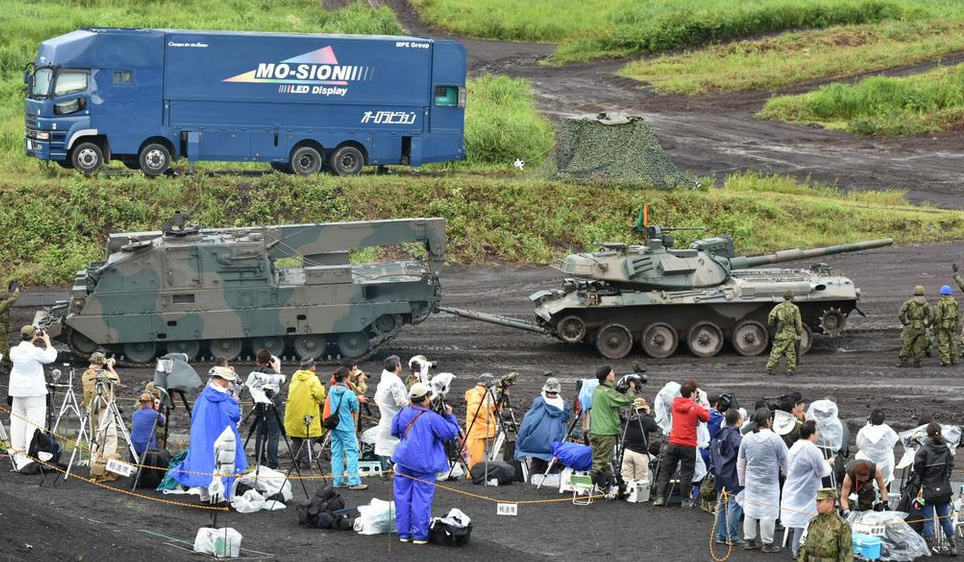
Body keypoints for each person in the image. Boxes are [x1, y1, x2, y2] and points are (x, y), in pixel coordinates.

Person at [392, 382, 460, 544]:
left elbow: (395, 431)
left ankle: (404, 533)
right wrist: (450, 416)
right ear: (425, 399)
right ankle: (420, 535)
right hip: (424, 463)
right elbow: (450, 432)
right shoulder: (431, 417)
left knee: (402, 497)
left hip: (403, 460)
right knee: (421, 498)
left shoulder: (403, 412)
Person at [172, 366, 247, 501]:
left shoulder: (203, 397)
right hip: (224, 437)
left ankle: (205, 495)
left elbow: (195, 416)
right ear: (223, 380)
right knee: (225, 462)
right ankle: (222, 496)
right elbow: (235, 416)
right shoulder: (226, 399)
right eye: (228, 380)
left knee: (203, 462)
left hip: (202, 437)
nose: (229, 383)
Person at [738, 407, 789, 553]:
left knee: (750, 510)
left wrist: (741, 480)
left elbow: (741, 461)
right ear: (767, 421)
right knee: (769, 512)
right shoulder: (775, 438)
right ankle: (767, 543)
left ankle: (749, 540)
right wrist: (786, 474)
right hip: (770, 482)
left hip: (751, 481)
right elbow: (785, 460)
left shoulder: (747, 437)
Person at [781, 420, 834, 558]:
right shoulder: (812, 449)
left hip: (794, 488)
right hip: (806, 491)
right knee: (809, 522)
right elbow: (822, 471)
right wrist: (828, 463)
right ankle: (803, 552)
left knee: (801, 522)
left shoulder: (794, 447)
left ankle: (797, 551)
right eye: (817, 432)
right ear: (812, 434)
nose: (818, 434)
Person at [7, 325, 56, 470]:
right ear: (34, 336)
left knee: (17, 423)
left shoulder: (14, 351)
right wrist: (47, 341)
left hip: (17, 393)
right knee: (34, 425)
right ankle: (31, 455)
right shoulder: (36, 352)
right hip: (34, 394)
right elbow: (51, 357)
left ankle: (17, 453)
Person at [653, 379, 708, 507]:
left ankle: (660, 497)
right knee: (687, 473)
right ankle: (685, 500)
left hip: (673, 443)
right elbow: (706, 417)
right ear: (693, 394)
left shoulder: (674, 404)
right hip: (688, 445)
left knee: (666, 471)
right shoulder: (695, 407)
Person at [589, 365, 638, 489]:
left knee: (601, 462)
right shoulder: (607, 392)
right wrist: (632, 388)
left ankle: (601, 489)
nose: (614, 374)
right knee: (601, 464)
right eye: (612, 373)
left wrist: (619, 388)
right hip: (605, 432)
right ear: (607, 376)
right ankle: (586, 489)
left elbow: (613, 392)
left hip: (596, 431)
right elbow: (626, 400)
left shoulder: (598, 389)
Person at [914, 421, 957, 555]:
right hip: (943, 489)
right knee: (945, 518)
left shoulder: (923, 450)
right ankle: (953, 546)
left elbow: (918, 469)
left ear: (928, 434)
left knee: (928, 520)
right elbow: (950, 466)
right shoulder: (946, 449)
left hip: (928, 489)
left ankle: (929, 548)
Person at [515, 377, 571, 475]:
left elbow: (529, 422)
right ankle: (550, 487)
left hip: (537, 442)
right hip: (555, 442)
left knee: (536, 464)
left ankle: (529, 487)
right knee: (554, 466)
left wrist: (521, 440)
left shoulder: (538, 401)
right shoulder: (563, 405)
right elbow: (565, 418)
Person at [326, 366, 366, 490]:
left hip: (334, 425)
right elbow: (355, 407)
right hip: (346, 426)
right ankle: (353, 481)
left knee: (337, 452)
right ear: (346, 378)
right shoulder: (349, 393)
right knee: (352, 452)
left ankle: (338, 480)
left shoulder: (332, 390)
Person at [284, 358, 325, 469]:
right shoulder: (313, 379)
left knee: (296, 438)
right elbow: (320, 395)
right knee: (310, 437)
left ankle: (295, 461)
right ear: (311, 367)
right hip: (307, 413)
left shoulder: (295, 376)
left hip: (293, 413)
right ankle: (306, 462)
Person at [711, 408, 744, 546]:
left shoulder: (718, 435)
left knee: (722, 506)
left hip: (719, 474)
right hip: (733, 476)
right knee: (733, 505)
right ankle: (732, 536)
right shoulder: (738, 439)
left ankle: (721, 534)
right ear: (738, 421)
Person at [797, 488, 854, 562]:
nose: (817, 504)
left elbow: (847, 553)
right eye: (817, 501)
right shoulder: (812, 522)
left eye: (820, 501)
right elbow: (803, 546)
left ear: (830, 502)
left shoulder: (841, 525)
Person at [373, 355, 409, 471]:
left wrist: (385, 408)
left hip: (386, 418)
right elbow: (400, 401)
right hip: (396, 418)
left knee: (385, 445)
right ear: (397, 366)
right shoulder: (394, 381)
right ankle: (396, 470)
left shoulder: (384, 380)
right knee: (399, 445)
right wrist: (413, 403)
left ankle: (385, 471)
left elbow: (376, 398)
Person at [251, 348, 283, 469]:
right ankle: (273, 463)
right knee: (273, 436)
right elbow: (279, 386)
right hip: (272, 407)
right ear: (269, 361)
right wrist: (276, 370)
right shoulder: (272, 374)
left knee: (260, 435)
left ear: (257, 360)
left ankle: (260, 461)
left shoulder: (253, 373)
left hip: (259, 406)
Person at [855, 409, 899, 485]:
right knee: (890, 454)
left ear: (870, 419)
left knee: (860, 455)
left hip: (867, 461)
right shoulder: (888, 430)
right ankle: (884, 493)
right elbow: (894, 441)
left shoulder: (864, 430)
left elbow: (859, 444)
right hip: (885, 461)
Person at [464, 373, 496, 474]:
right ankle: (471, 478)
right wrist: (487, 401)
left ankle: (473, 476)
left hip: (480, 432)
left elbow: (491, 410)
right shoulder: (476, 394)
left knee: (477, 459)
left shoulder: (482, 394)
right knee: (475, 461)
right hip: (476, 433)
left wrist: (497, 400)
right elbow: (476, 411)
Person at [766, 290, 803, 376]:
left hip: (781, 332)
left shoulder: (778, 307)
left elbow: (771, 317)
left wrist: (773, 325)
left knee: (776, 351)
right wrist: (799, 332)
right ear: (792, 297)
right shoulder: (795, 308)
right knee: (791, 353)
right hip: (791, 333)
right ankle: (790, 369)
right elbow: (798, 322)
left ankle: (770, 368)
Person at [621, 397, 657, 484]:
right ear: (644, 408)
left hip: (627, 451)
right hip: (640, 452)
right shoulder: (646, 420)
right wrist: (648, 414)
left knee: (627, 479)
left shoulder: (628, 419)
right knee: (641, 480)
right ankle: (640, 497)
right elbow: (654, 428)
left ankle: (628, 496)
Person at [898, 285, 932, 368]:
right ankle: (917, 362)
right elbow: (932, 316)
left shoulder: (909, 302)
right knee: (919, 345)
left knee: (907, 344)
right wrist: (927, 325)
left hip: (911, 326)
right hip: (921, 326)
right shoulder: (926, 304)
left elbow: (901, 313)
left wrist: (905, 322)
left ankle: (903, 362)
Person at [130, 392, 166, 459]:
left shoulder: (135, 413)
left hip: (133, 447)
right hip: (147, 449)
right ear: (151, 402)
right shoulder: (154, 414)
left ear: (140, 402)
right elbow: (164, 422)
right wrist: (158, 409)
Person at [934, 285, 959, 366]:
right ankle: (954, 360)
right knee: (952, 342)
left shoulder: (941, 303)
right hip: (952, 324)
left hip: (943, 325)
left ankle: (946, 361)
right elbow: (957, 315)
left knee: (943, 343)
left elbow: (938, 316)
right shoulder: (955, 302)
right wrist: (956, 325)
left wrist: (936, 326)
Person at [0, 282, 19, 368]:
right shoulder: (3, 304)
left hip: (4, 328)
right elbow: (12, 300)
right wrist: (16, 292)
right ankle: (2, 365)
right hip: (1, 329)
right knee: (2, 347)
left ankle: (6, 362)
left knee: (5, 345)